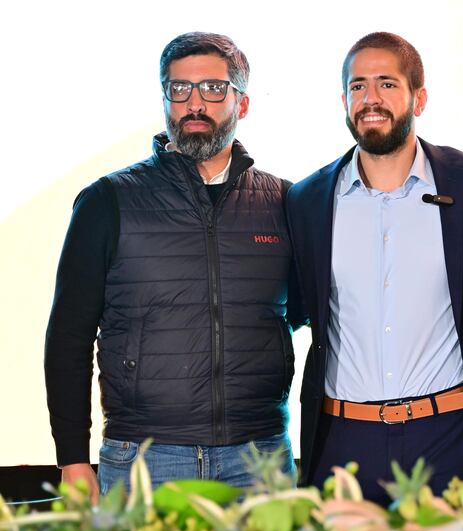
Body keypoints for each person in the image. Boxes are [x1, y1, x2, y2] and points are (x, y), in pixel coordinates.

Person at [44, 32, 304, 503]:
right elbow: (68, 337)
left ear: (242, 104)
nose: (195, 103)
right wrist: (72, 459)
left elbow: (309, 312)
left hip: (259, 457)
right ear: (166, 100)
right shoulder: (108, 201)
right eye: (179, 89)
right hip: (145, 457)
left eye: (213, 89)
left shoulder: (284, 202)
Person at [286, 32, 463, 504]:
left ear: (418, 98)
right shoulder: (307, 200)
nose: (371, 99)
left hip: (449, 437)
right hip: (344, 442)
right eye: (358, 86)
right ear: (344, 100)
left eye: (387, 83)